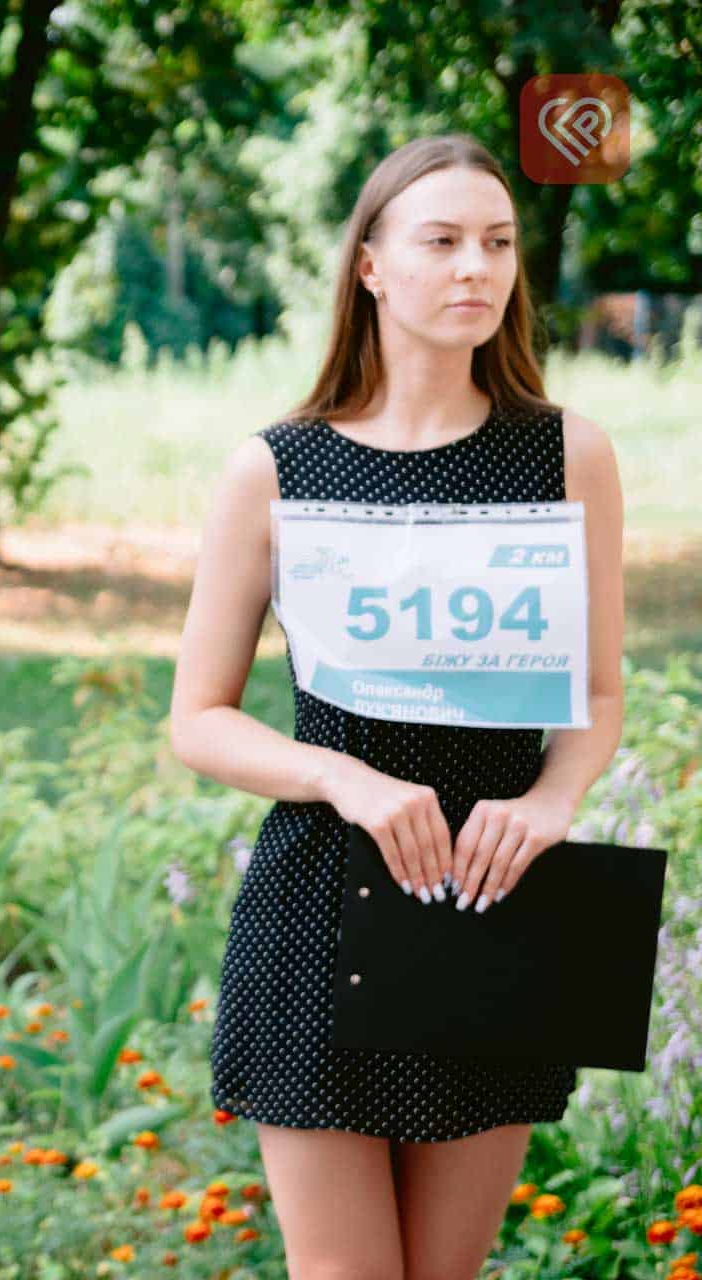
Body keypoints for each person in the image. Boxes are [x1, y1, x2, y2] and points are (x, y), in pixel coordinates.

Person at [168, 134, 625, 1279]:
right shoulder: (277, 469)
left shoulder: (567, 455)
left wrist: (555, 796)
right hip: (322, 901)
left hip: (495, 893)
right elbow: (197, 717)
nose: (476, 266)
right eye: (441, 241)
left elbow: (599, 688)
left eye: (498, 243)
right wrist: (345, 777)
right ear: (369, 265)